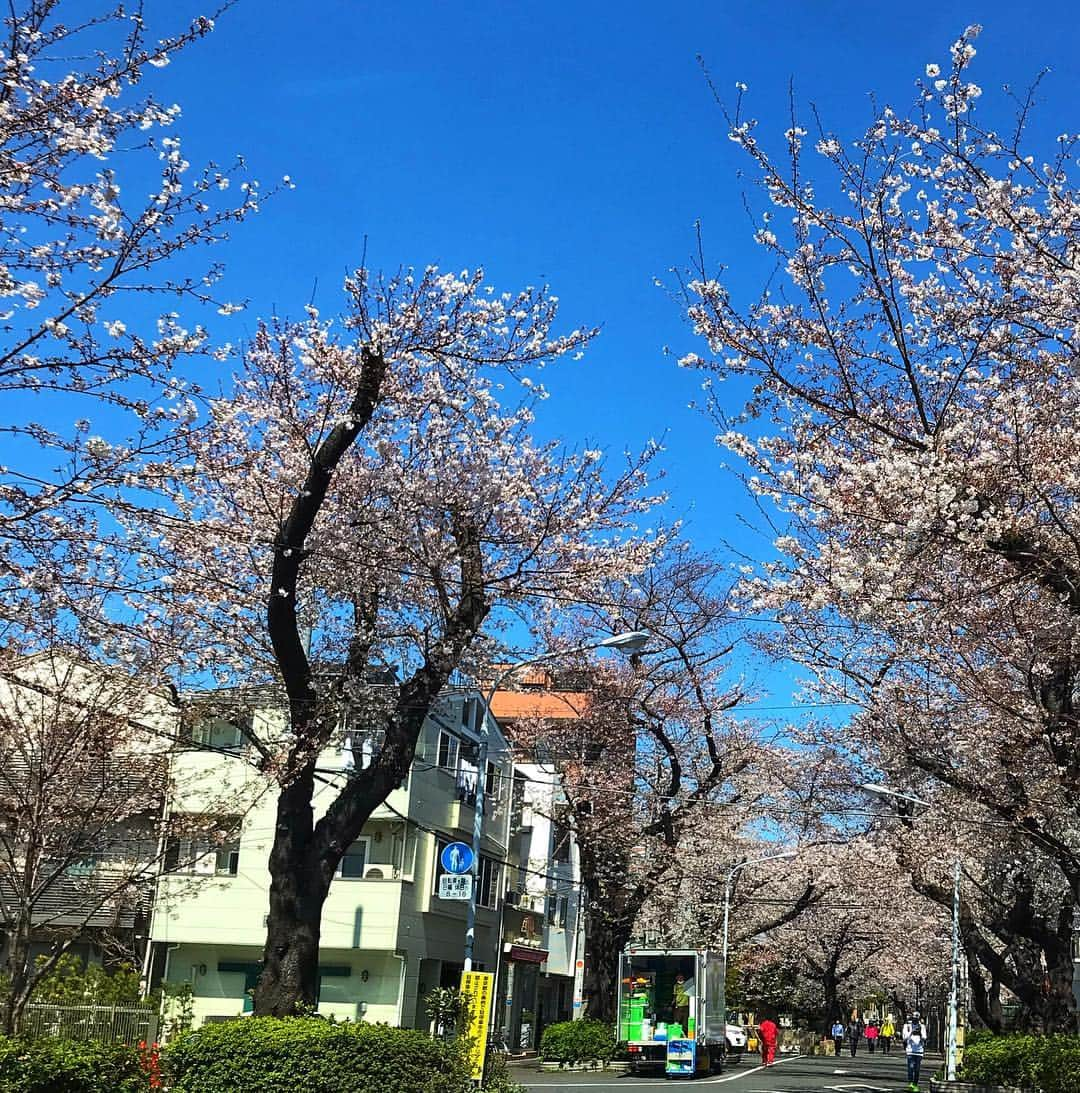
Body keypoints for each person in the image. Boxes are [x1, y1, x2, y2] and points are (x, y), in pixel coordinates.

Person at [902, 1011, 926, 1090]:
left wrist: (920, 1033)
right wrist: (911, 1032)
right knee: (911, 1068)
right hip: (910, 1050)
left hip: (919, 1051)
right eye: (914, 1018)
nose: (915, 1020)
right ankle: (910, 1084)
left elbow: (924, 1037)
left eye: (917, 1018)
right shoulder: (907, 1026)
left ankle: (915, 1084)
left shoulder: (922, 1026)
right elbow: (904, 1038)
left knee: (917, 1069)